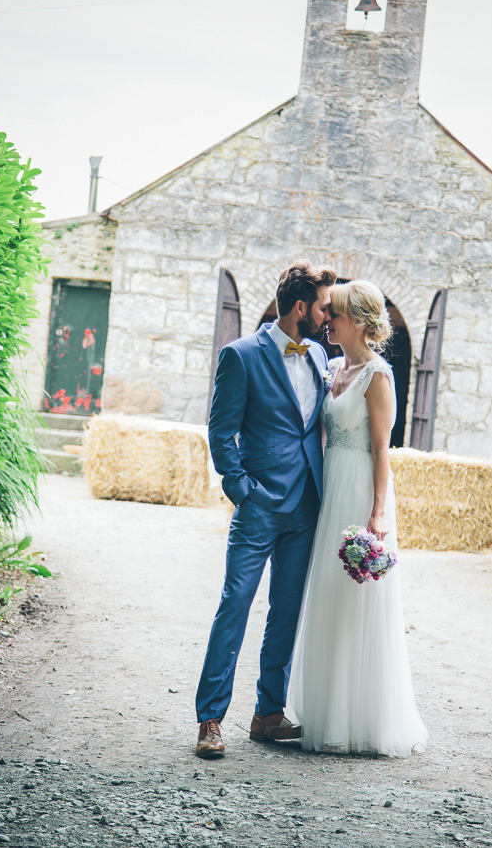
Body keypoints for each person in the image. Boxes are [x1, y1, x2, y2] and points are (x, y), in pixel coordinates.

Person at [195, 261, 336, 758]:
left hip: (306, 507)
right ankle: (210, 718)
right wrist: (241, 488)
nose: (328, 314)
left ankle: (267, 714)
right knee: (235, 604)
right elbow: (220, 429)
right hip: (258, 505)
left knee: (286, 612)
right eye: (323, 306)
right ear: (301, 307)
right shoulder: (241, 355)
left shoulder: (320, 354)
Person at [288, 280, 428, 755]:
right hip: (331, 491)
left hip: (361, 491)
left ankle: (359, 720)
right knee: (328, 594)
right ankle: (326, 711)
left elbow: (382, 450)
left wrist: (377, 514)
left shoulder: (378, 376)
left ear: (362, 323)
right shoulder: (332, 369)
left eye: (338, 314)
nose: (328, 319)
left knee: (357, 603)